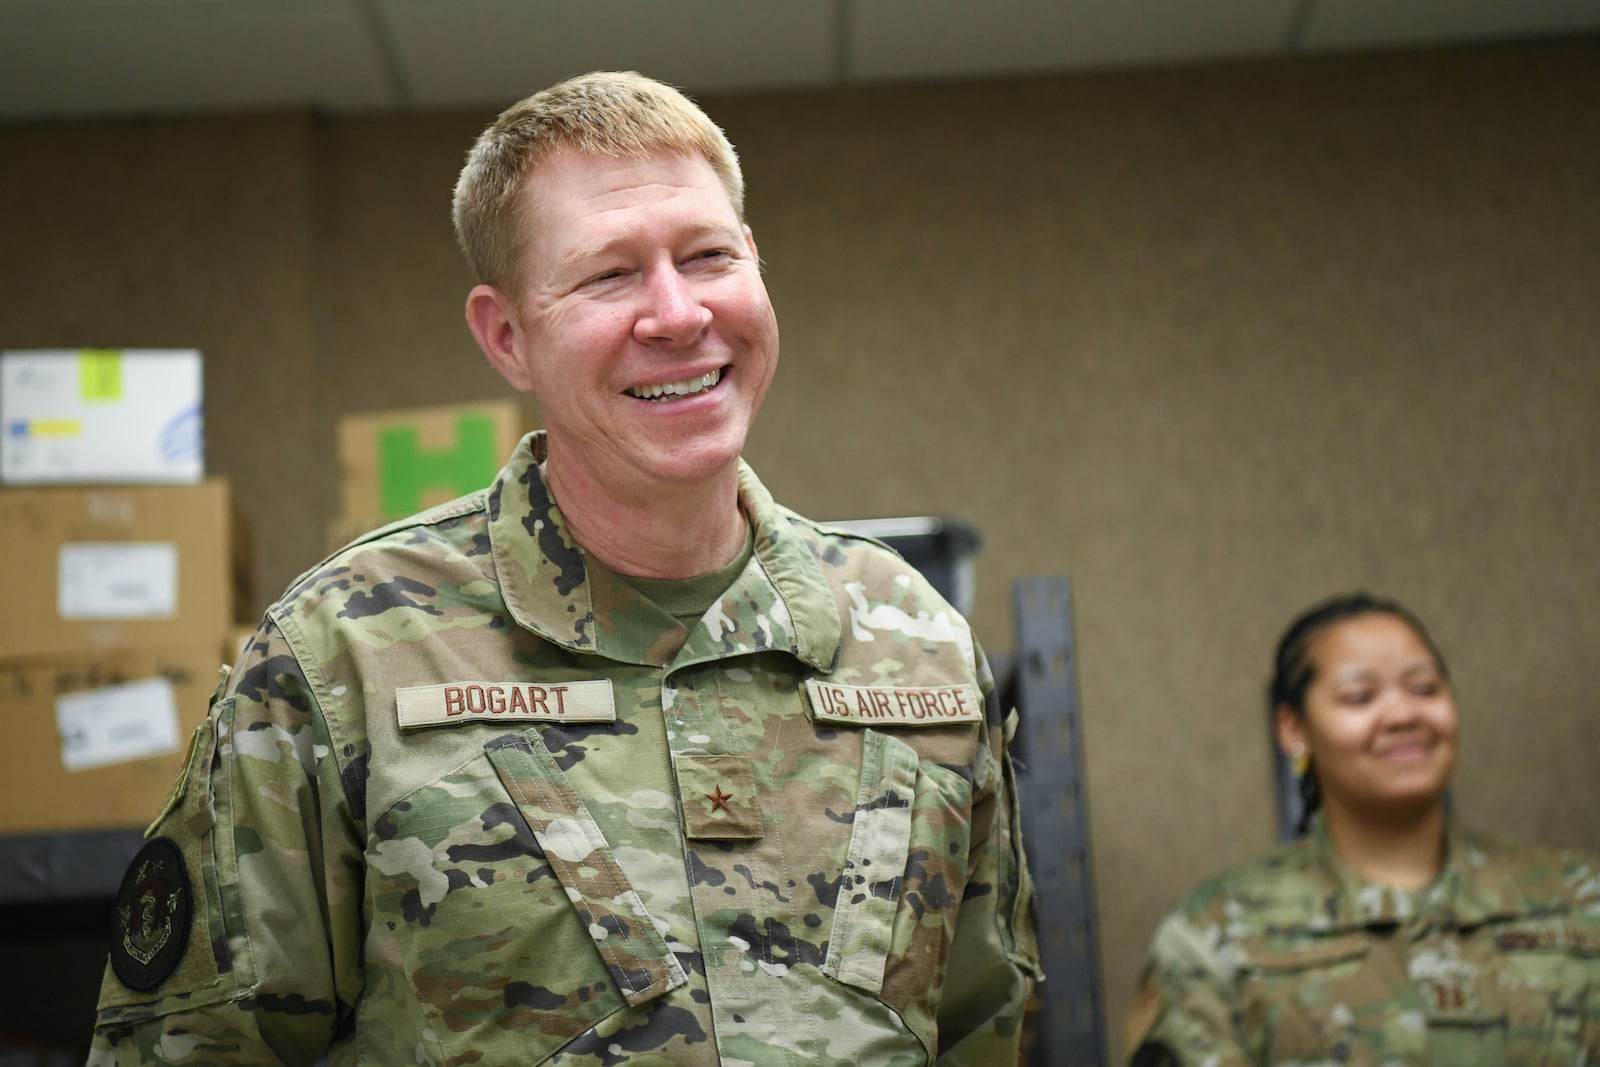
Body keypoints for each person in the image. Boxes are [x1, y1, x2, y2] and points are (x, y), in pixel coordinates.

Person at [87, 71, 1041, 1065]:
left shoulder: (916, 644)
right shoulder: (344, 657)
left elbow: (979, 1027)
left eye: (707, 255)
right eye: (608, 275)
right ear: (507, 336)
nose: (677, 314)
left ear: (755, 266)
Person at [1126, 592, 1600, 1066]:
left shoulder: (1577, 899)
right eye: (1359, 697)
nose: (1403, 715)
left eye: (1425, 689)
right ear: (1294, 729)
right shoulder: (1217, 934)